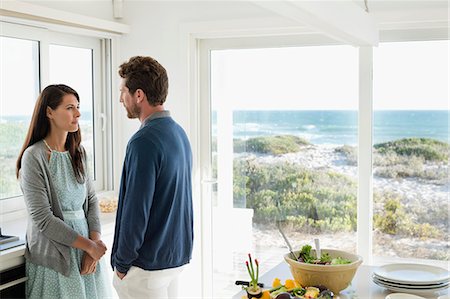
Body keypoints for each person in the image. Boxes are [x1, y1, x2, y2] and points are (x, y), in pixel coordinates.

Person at [16, 84, 111, 299]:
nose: (77, 113)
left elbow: (92, 201)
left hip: (87, 254)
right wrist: (89, 246)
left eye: (77, 107)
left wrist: (93, 246)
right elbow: (43, 219)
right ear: (49, 112)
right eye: (69, 108)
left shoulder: (79, 153)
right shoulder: (34, 157)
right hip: (55, 257)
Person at [111, 56, 193, 299]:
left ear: (138, 95)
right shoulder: (179, 133)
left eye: (122, 91)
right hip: (174, 258)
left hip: (146, 268)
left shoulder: (143, 141)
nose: (120, 99)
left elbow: (137, 210)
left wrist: (122, 263)